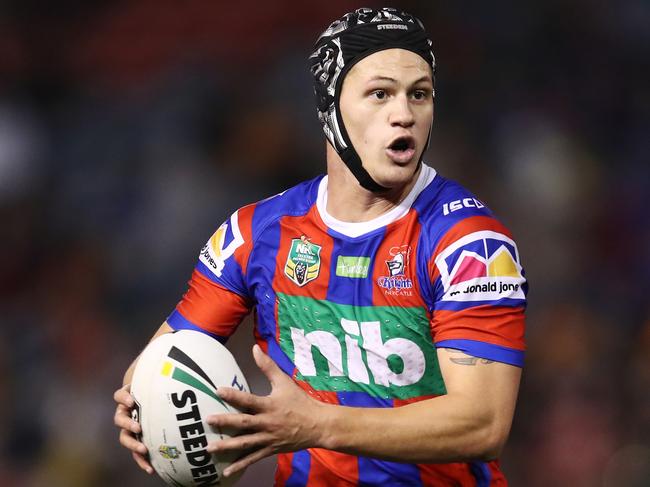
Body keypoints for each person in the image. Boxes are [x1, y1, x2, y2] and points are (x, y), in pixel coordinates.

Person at [113, 7, 527, 486]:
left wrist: (316, 424)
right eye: (380, 93)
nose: (404, 114)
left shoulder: (468, 242)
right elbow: (160, 362)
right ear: (329, 106)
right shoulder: (256, 234)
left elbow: (482, 424)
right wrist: (139, 404)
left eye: (420, 94)